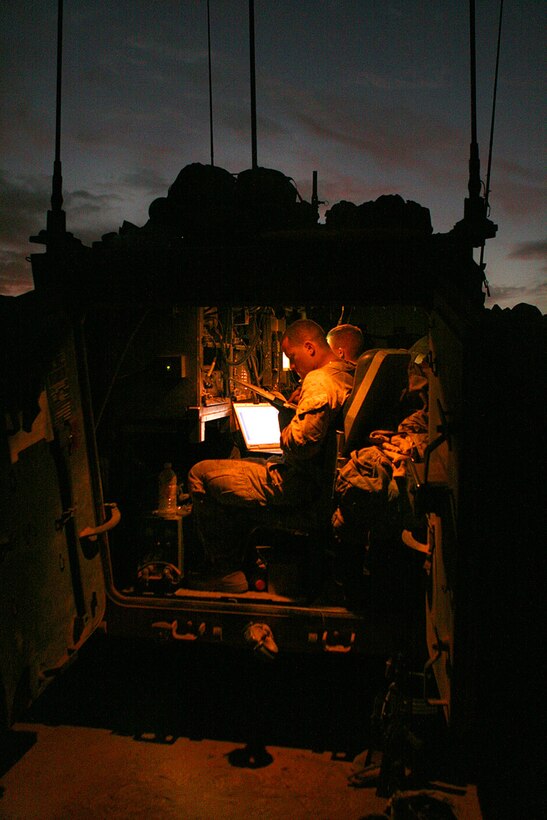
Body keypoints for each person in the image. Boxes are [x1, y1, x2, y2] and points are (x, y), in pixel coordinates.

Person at [187, 319, 354, 592]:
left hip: (296, 487)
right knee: (240, 466)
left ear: (310, 347)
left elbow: (302, 442)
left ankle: (226, 571)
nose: (293, 366)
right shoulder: (347, 372)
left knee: (201, 473)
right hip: (317, 484)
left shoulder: (319, 379)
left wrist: (287, 418)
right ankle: (249, 561)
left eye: (293, 357)